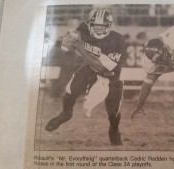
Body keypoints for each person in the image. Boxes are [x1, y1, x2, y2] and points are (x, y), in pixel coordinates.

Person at [45, 9, 125, 146]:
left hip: (109, 75)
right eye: (95, 25)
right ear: (89, 24)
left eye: (102, 26)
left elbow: (100, 67)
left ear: (109, 26)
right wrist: (67, 41)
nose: (98, 29)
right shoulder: (83, 27)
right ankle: (66, 113)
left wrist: (79, 47)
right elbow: (66, 48)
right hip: (90, 67)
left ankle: (114, 130)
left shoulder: (116, 40)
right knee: (70, 90)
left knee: (113, 111)